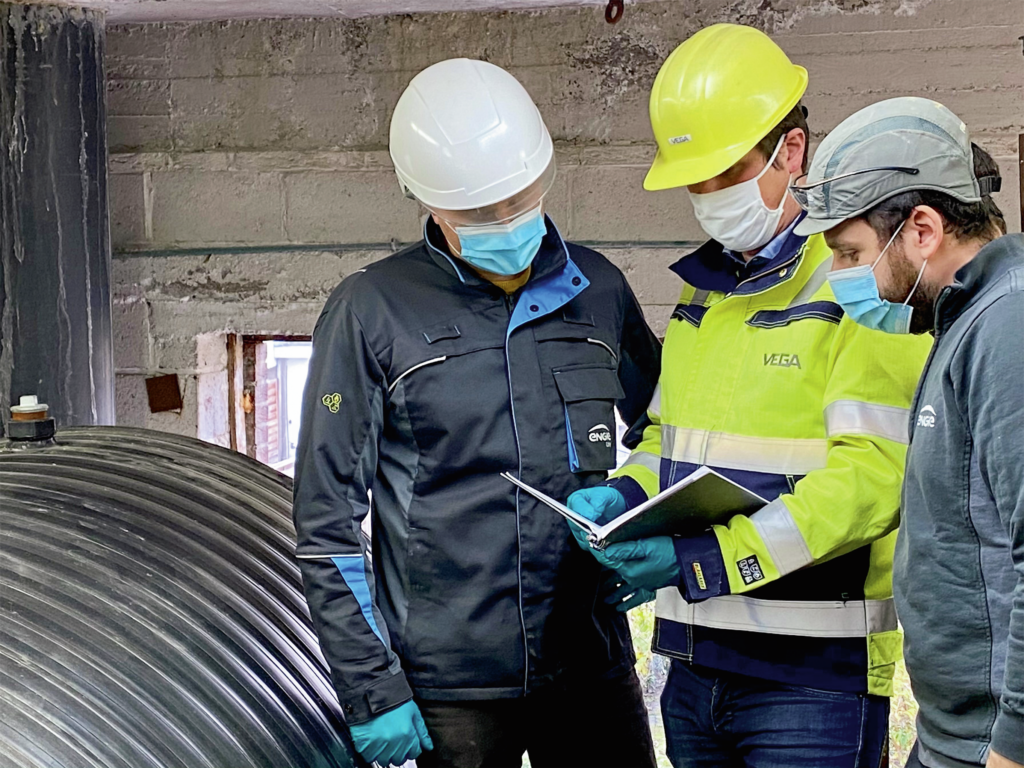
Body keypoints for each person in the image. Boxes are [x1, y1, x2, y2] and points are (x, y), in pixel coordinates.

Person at [566, 24, 932, 767]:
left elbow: (868, 484)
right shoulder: (704, 297)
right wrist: (625, 495)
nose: (707, 197)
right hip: (694, 667)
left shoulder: (862, 289)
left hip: (812, 682)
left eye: (724, 173)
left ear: (790, 153)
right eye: (694, 182)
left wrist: (700, 561)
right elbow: (666, 439)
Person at [292, 58, 661, 768]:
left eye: (517, 201)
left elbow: (665, 430)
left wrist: (643, 522)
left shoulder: (599, 290)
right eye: (480, 213)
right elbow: (327, 520)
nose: (505, 223)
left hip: (588, 663)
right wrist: (372, 687)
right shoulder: (371, 310)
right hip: (447, 689)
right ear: (427, 199)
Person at [791, 96, 1021, 768]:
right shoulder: (963, 320)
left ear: (922, 229)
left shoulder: (1007, 325)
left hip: (992, 746)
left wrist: (1011, 749)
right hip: (957, 735)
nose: (839, 278)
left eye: (849, 252)